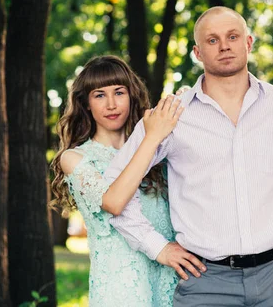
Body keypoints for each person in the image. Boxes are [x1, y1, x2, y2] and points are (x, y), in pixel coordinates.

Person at [104, 6, 273, 306]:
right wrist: (157, 247)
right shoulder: (171, 114)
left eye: (232, 36)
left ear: (248, 42)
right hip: (205, 282)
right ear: (198, 52)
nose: (225, 45)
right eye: (212, 40)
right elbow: (114, 187)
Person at [51, 55, 184, 306]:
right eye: (100, 95)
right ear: (86, 103)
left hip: (170, 280)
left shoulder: (158, 153)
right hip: (121, 290)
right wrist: (151, 137)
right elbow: (114, 202)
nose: (111, 104)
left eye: (119, 92)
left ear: (131, 95)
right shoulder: (76, 158)